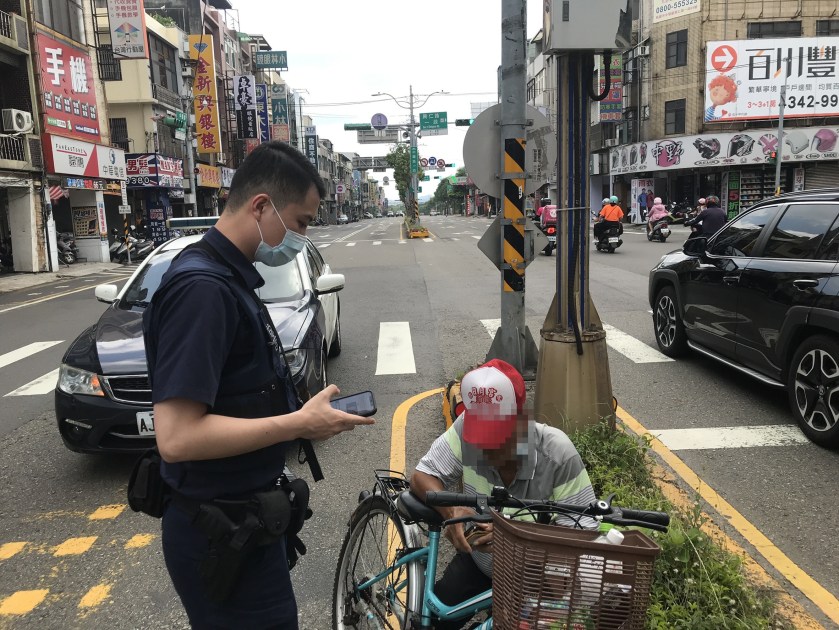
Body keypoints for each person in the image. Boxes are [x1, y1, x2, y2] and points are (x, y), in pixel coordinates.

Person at [142, 141, 375, 628]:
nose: (302, 236)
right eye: (301, 222)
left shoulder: (230, 278)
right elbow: (177, 437)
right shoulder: (203, 291)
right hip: (219, 531)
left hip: (244, 525)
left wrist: (296, 417)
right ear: (262, 206)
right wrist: (298, 423)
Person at [410, 360, 597, 630]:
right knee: (432, 623)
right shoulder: (465, 429)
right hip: (480, 562)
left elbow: (585, 538)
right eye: (480, 438)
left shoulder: (557, 455)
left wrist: (514, 538)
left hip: (536, 578)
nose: (486, 450)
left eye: (497, 437)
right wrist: (452, 511)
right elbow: (422, 475)